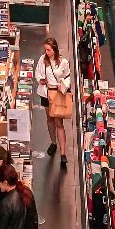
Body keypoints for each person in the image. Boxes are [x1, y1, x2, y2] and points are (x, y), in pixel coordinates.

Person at [34, 37, 74, 168]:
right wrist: (41, 79)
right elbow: (38, 73)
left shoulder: (63, 62)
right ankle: (53, 142)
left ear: (54, 49)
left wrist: (62, 85)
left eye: (49, 50)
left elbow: (67, 77)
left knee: (59, 122)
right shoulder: (42, 59)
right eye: (45, 49)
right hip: (46, 94)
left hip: (57, 94)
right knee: (49, 118)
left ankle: (63, 154)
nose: (46, 52)